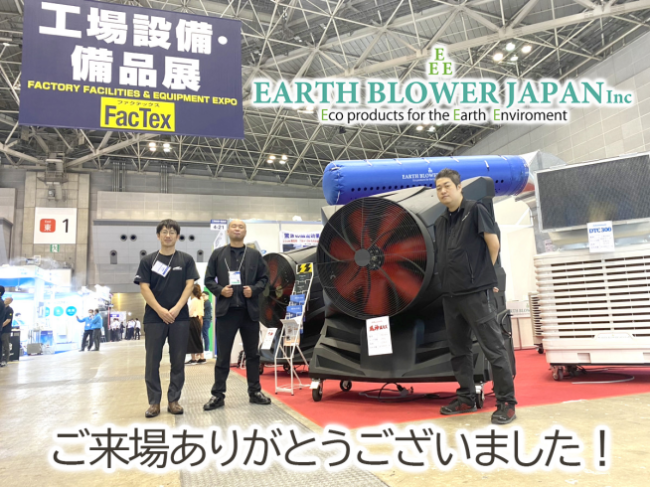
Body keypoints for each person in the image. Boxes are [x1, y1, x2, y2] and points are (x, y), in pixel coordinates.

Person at [433, 168, 517, 425]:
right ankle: (466, 398)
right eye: (438, 188)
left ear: (459, 188)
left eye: (447, 186)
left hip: (475, 293)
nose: (443, 191)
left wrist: (484, 276)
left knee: (493, 348)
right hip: (450, 295)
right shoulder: (440, 222)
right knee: (459, 351)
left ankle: (507, 403)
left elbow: (494, 244)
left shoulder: (475, 210)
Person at [203, 219, 271, 411]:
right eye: (234, 226)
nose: (237, 229)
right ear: (228, 231)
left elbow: (264, 278)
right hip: (227, 313)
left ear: (245, 231)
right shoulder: (218, 254)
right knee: (223, 356)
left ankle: (255, 392)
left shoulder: (255, 255)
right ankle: (218, 395)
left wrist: (254, 290)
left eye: (241, 226)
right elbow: (208, 279)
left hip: (250, 312)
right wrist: (220, 290)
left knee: (253, 355)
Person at [134, 219, 199, 418]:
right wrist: (160, 310)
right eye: (164, 232)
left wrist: (177, 309)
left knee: (178, 361)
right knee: (152, 361)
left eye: (172, 232)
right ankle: (154, 402)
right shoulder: (148, 261)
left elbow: (190, 286)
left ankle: (174, 400)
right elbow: (144, 287)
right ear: (158, 235)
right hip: (154, 318)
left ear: (177, 236)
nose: (168, 235)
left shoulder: (186, 260)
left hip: (180, 318)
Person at [186, 284, 205, 365]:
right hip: (198, 319)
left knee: (191, 339)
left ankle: (193, 359)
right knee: (198, 338)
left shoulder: (193, 300)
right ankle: (202, 357)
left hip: (192, 320)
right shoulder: (200, 299)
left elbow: (190, 312)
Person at [1, 296, 12, 367]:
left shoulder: (10, 310)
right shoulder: (2, 308)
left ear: (10, 302)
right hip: (1, 330)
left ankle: (5, 360)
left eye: (7, 300)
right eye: (5, 299)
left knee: (5, 346)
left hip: (5, 331)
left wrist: (1, 325)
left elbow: (8, 320)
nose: (5, 300)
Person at [201, 292, 213, 356]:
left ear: (207, 296)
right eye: (201, 296)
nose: (202, 297)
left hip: (206, 320)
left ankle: (207, 349)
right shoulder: (205, 302)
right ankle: (204, 349)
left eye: (204, 295)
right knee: (203, 335)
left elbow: (202, 309)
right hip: (204, 319)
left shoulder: (207, 302)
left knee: (205, 335)